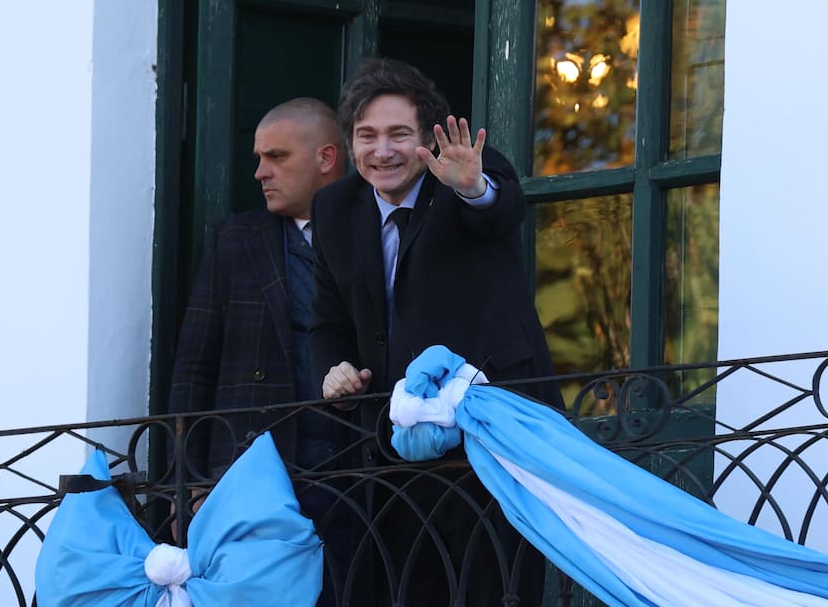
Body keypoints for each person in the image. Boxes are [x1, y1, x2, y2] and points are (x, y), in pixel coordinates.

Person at [309, 57, 555, 606]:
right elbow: (327, 322)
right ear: (350, 144)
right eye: (367, 136)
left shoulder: (464, 174)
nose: (383, 151)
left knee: (494, 589)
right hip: (391, 442)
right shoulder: (334, 208)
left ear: (427, 139)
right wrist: (334, 371)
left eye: (399, 134)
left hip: (489, 435)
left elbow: (501, 210)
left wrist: (473, 188)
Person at [169, 97, 345, 477]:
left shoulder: (377, 234)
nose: (260, 173)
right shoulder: (235, 240)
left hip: (356, 463)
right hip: (248, 466)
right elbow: (194, 368)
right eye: (259, 158)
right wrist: (187, 483)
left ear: (326, 158)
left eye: (276, 156)